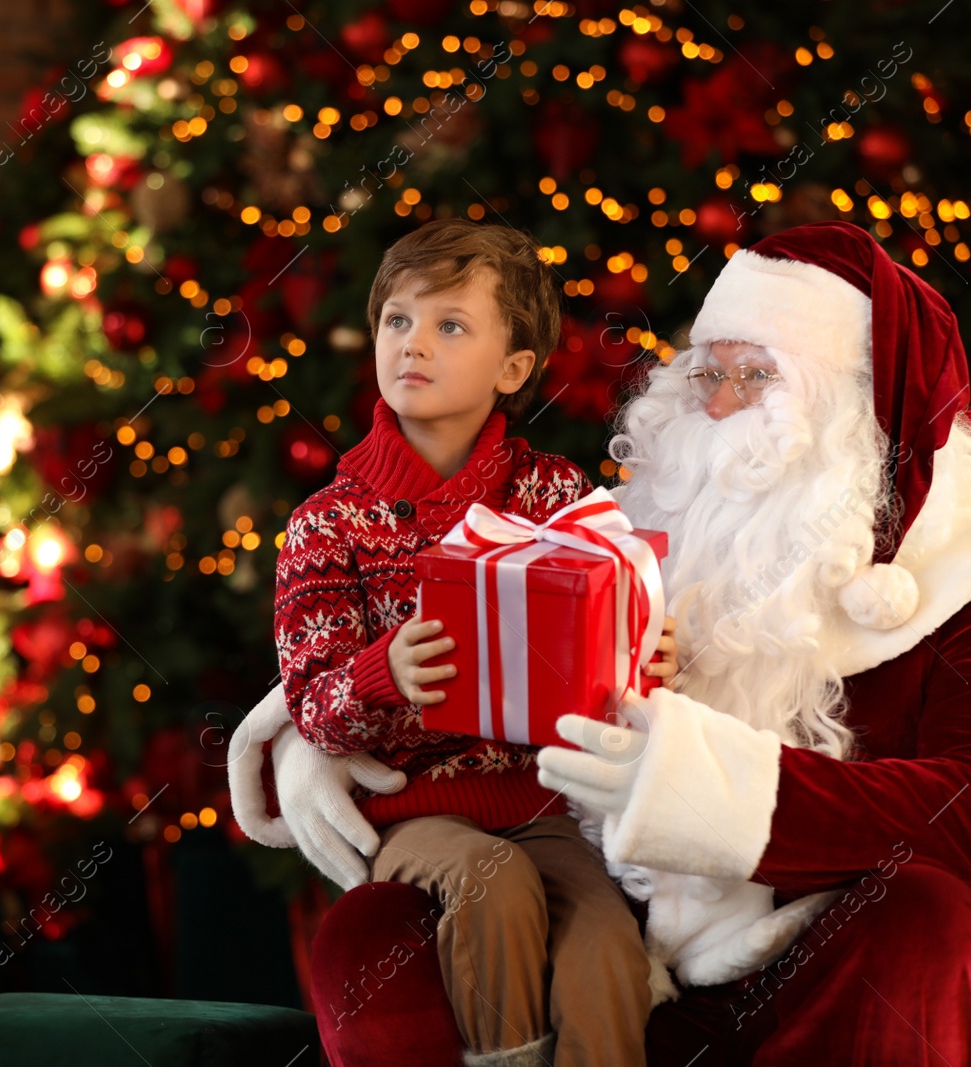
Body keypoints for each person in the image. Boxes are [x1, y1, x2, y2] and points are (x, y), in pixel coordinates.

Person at [233, 220, 971, 1065]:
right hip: (623, 932)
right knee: (371, 933)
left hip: (826, 958)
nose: (714, 404)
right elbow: (474, 600)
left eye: (754, 377)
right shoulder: (640, 510)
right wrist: (316, 731)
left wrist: (702, 789)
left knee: (921, 919)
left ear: (850, 401)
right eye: (706, 369)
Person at [260, 216, 677, 1067]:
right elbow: (311, 708)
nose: (414, 344)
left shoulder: (554, 493)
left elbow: (612, 632)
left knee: (605, 946)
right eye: (397, 320)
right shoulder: (328, 523)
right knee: (496, 885)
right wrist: (384, 674)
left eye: (450, 325)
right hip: (414, 812)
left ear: (513, 367)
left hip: (543, 803)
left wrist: (640, 653)